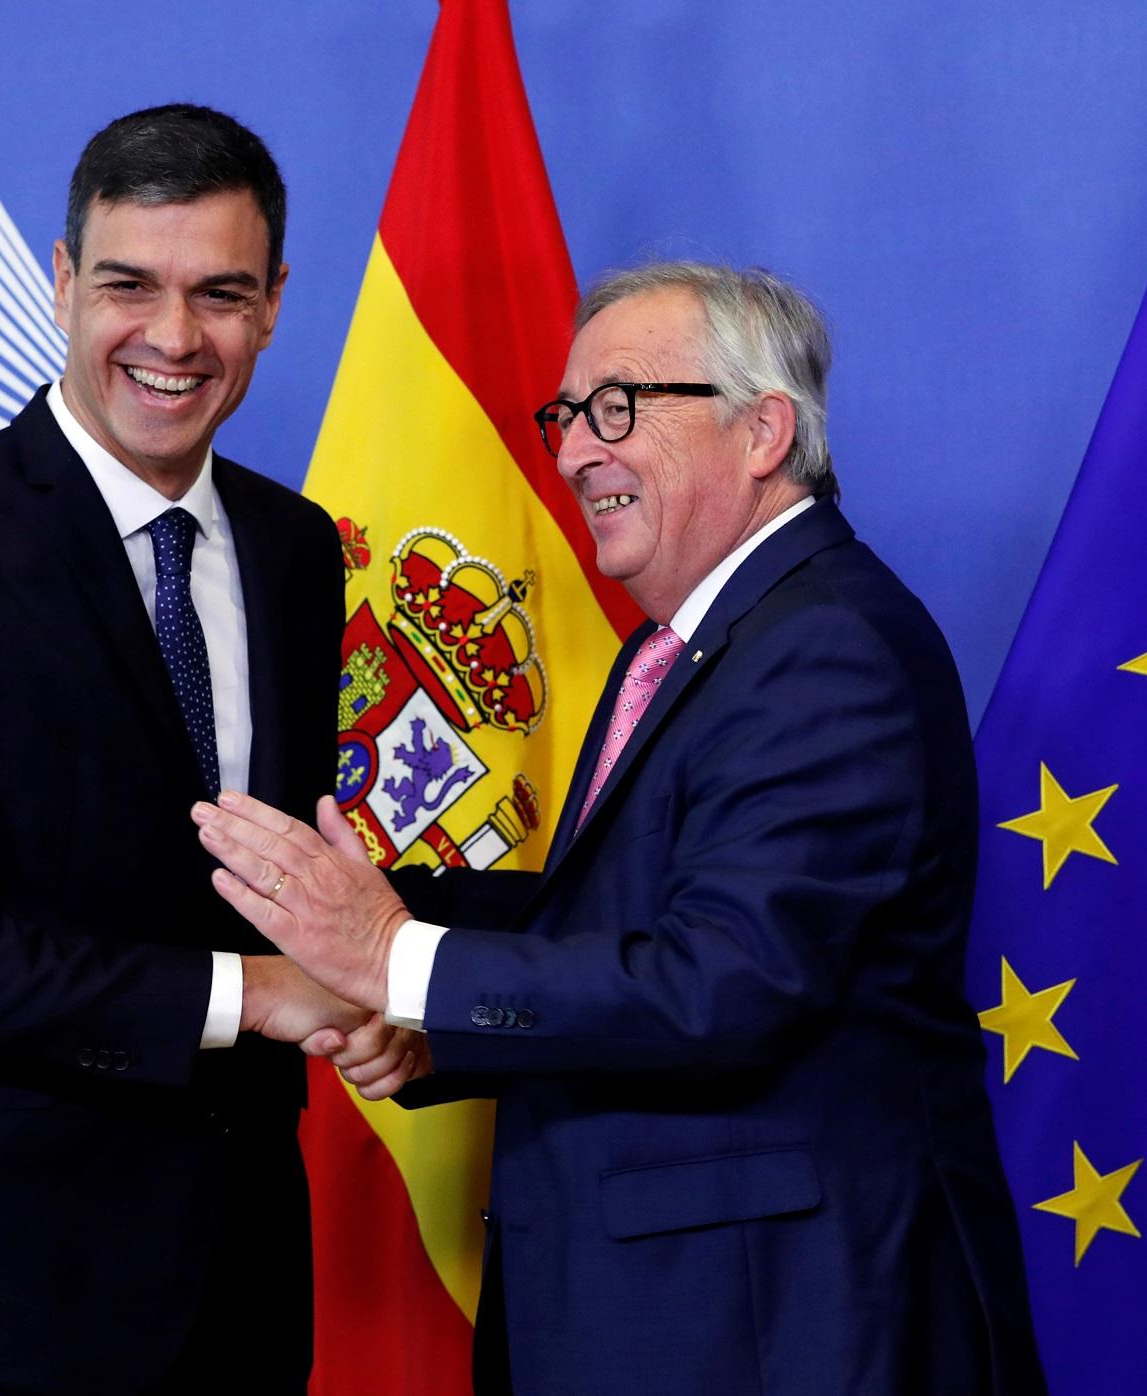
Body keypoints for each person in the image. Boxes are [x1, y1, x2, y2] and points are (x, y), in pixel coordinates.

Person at [194, 262, 1047, 1395]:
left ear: (762, 431)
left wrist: (397, 956)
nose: (575, 449)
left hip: (781, 1328)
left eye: (619, 407)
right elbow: (612, 914)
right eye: (566, 414)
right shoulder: (695, 641)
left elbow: (722, 983)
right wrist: (411, 994)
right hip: (679, 1316)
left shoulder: (829, 647)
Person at [0, 105, 391, 1395]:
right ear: (63, 283)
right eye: (130, 285)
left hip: (239, 1285)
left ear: (276, 303)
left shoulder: (297, 553)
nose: (174, 338)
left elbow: (270, 875)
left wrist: (390, 986)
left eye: (221, 293)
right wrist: (265, 996)